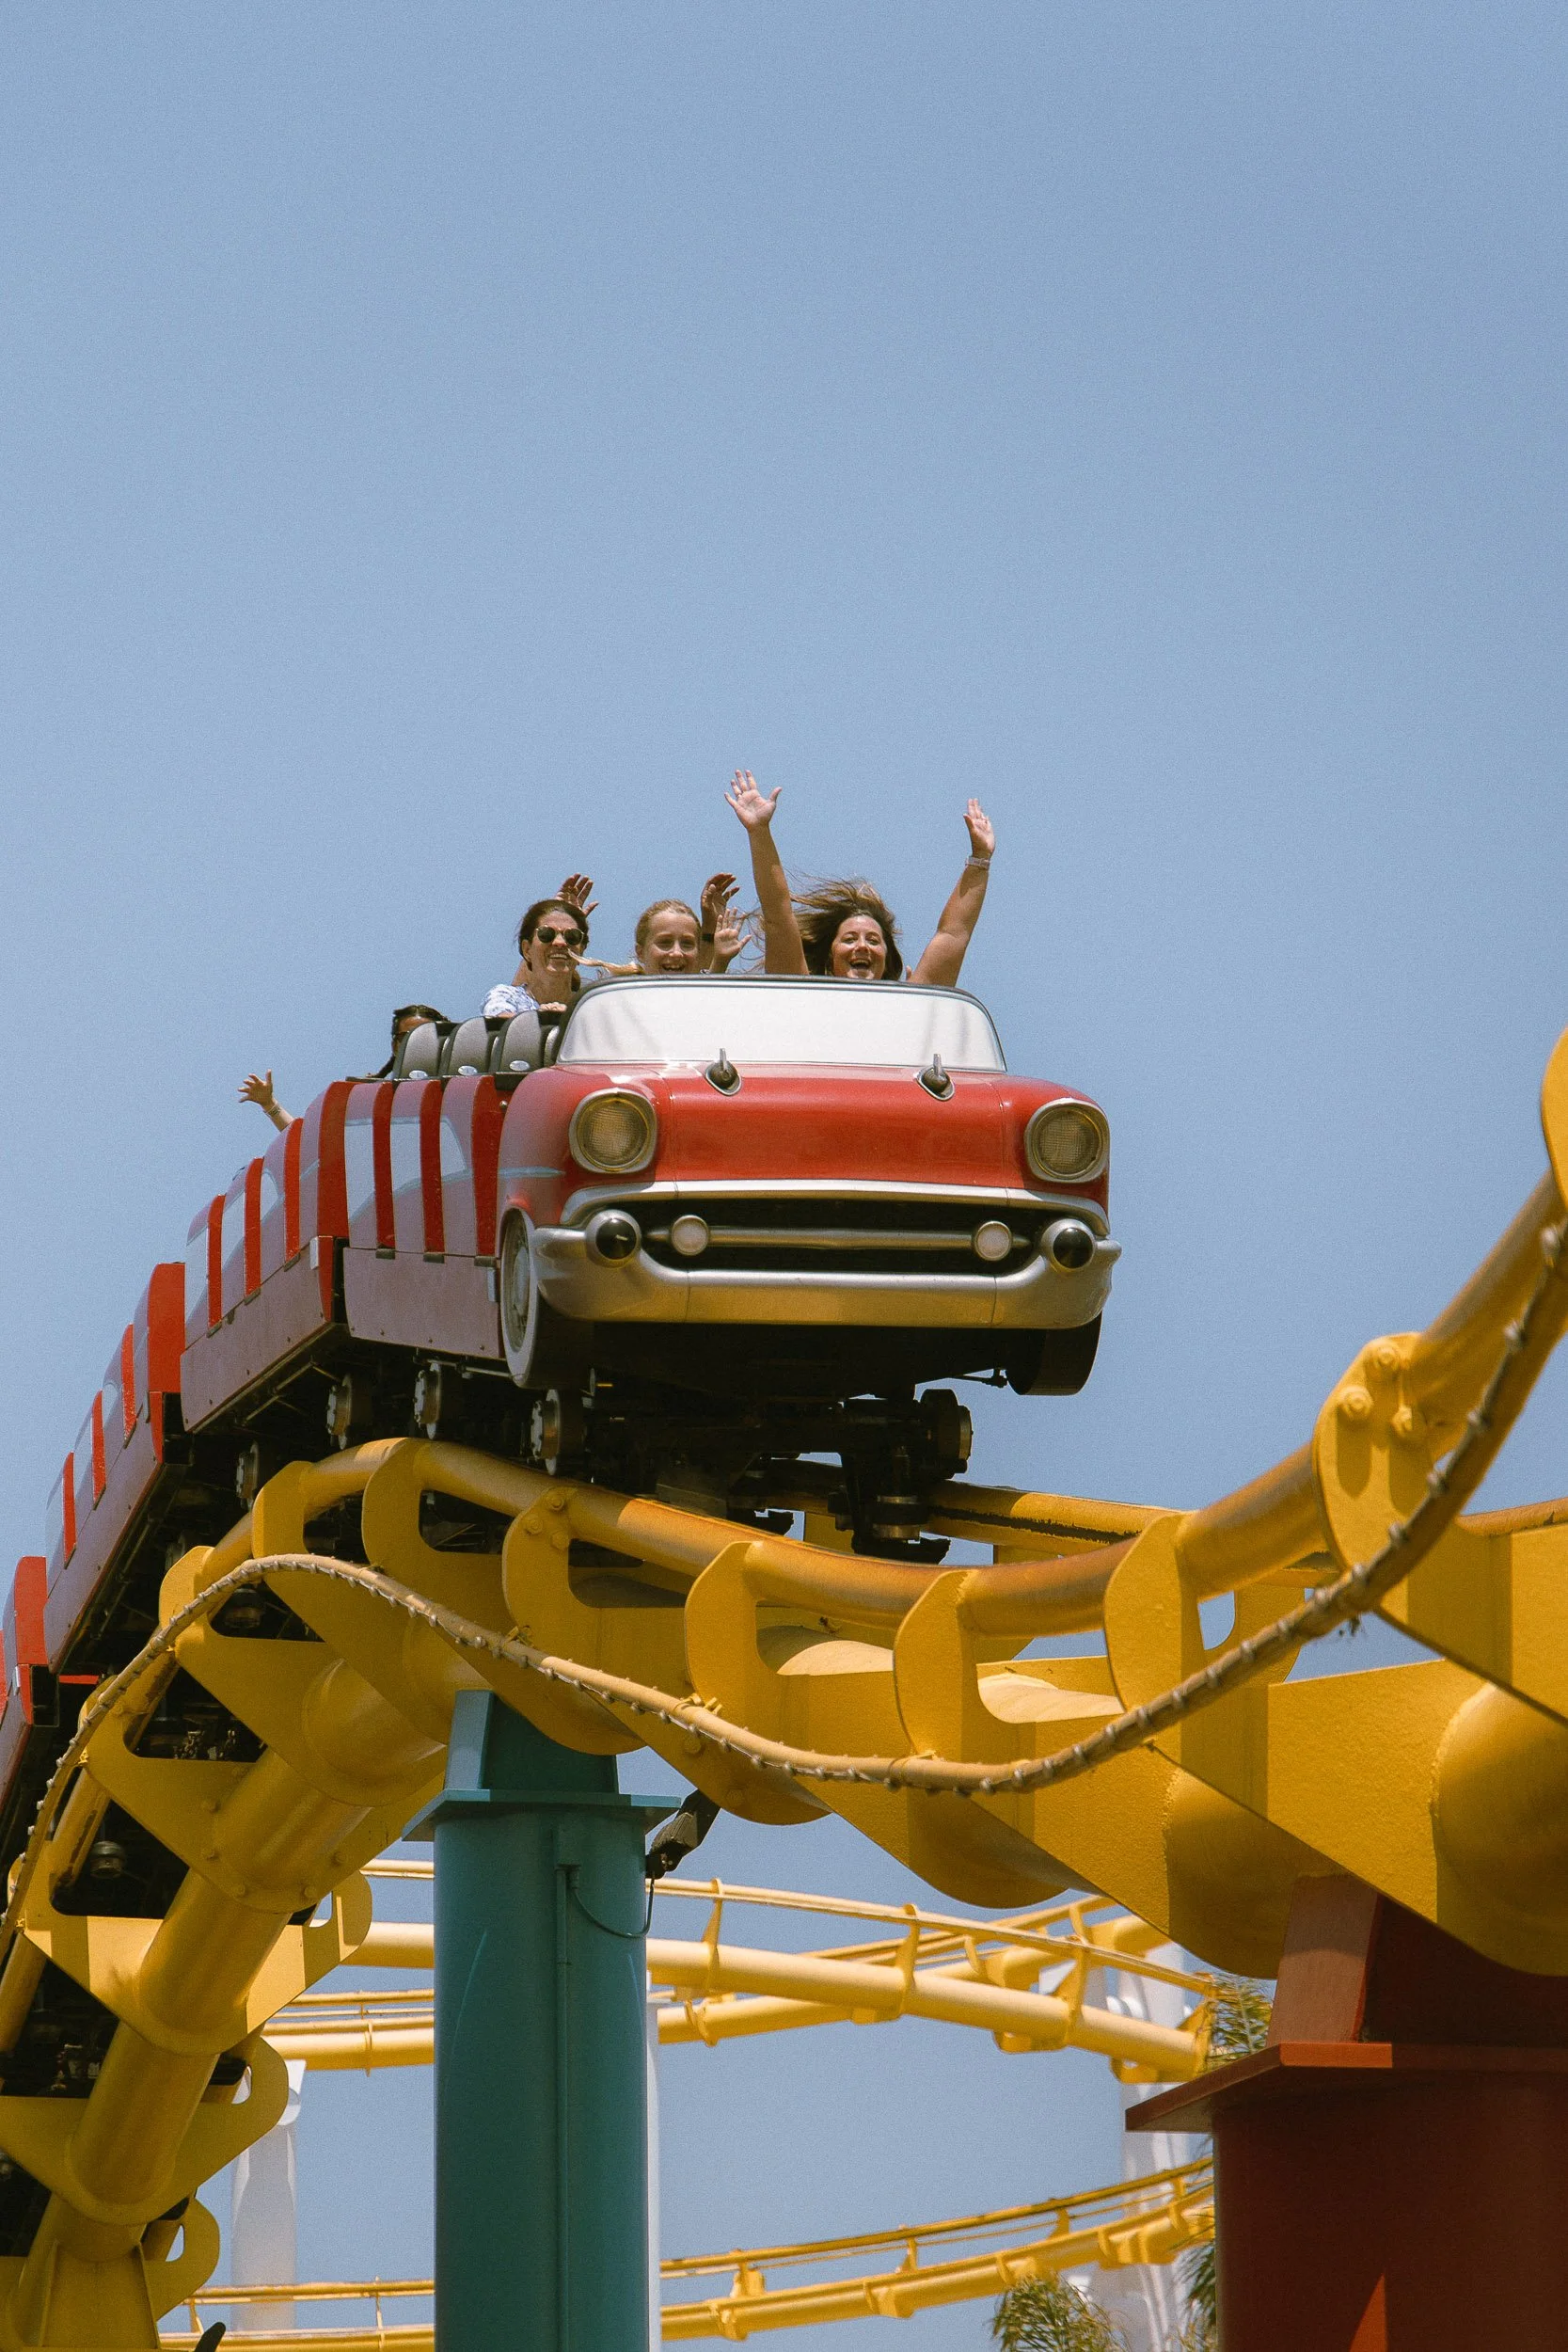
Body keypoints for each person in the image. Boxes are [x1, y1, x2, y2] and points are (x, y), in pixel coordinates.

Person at [724, 771, 995, 985]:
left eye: (874, 941)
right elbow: (778, 915)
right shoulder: (801, 993)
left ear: (888, 961)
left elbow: (952, 935)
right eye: (850, 939)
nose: (863, 946)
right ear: (831, 958)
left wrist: (980, 860)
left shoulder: (912, 1008)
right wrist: (759, 831)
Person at [238, 1003, 449, 1130]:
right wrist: (270, 1104)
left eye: (427, 1036)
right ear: (395, 1045)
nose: (417, 1043)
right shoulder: (372, 1098)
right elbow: (310, 1146)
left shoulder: (459, 1092)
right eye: (408, 1037)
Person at [483, 875, 595, 1017]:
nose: (560, 942)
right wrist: (543, 1020)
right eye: (546, 934)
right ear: (526, 949)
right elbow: (505, 1026)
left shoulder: (590, 1005)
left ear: (582, 950)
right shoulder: (505, 996)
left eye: (572, 936)